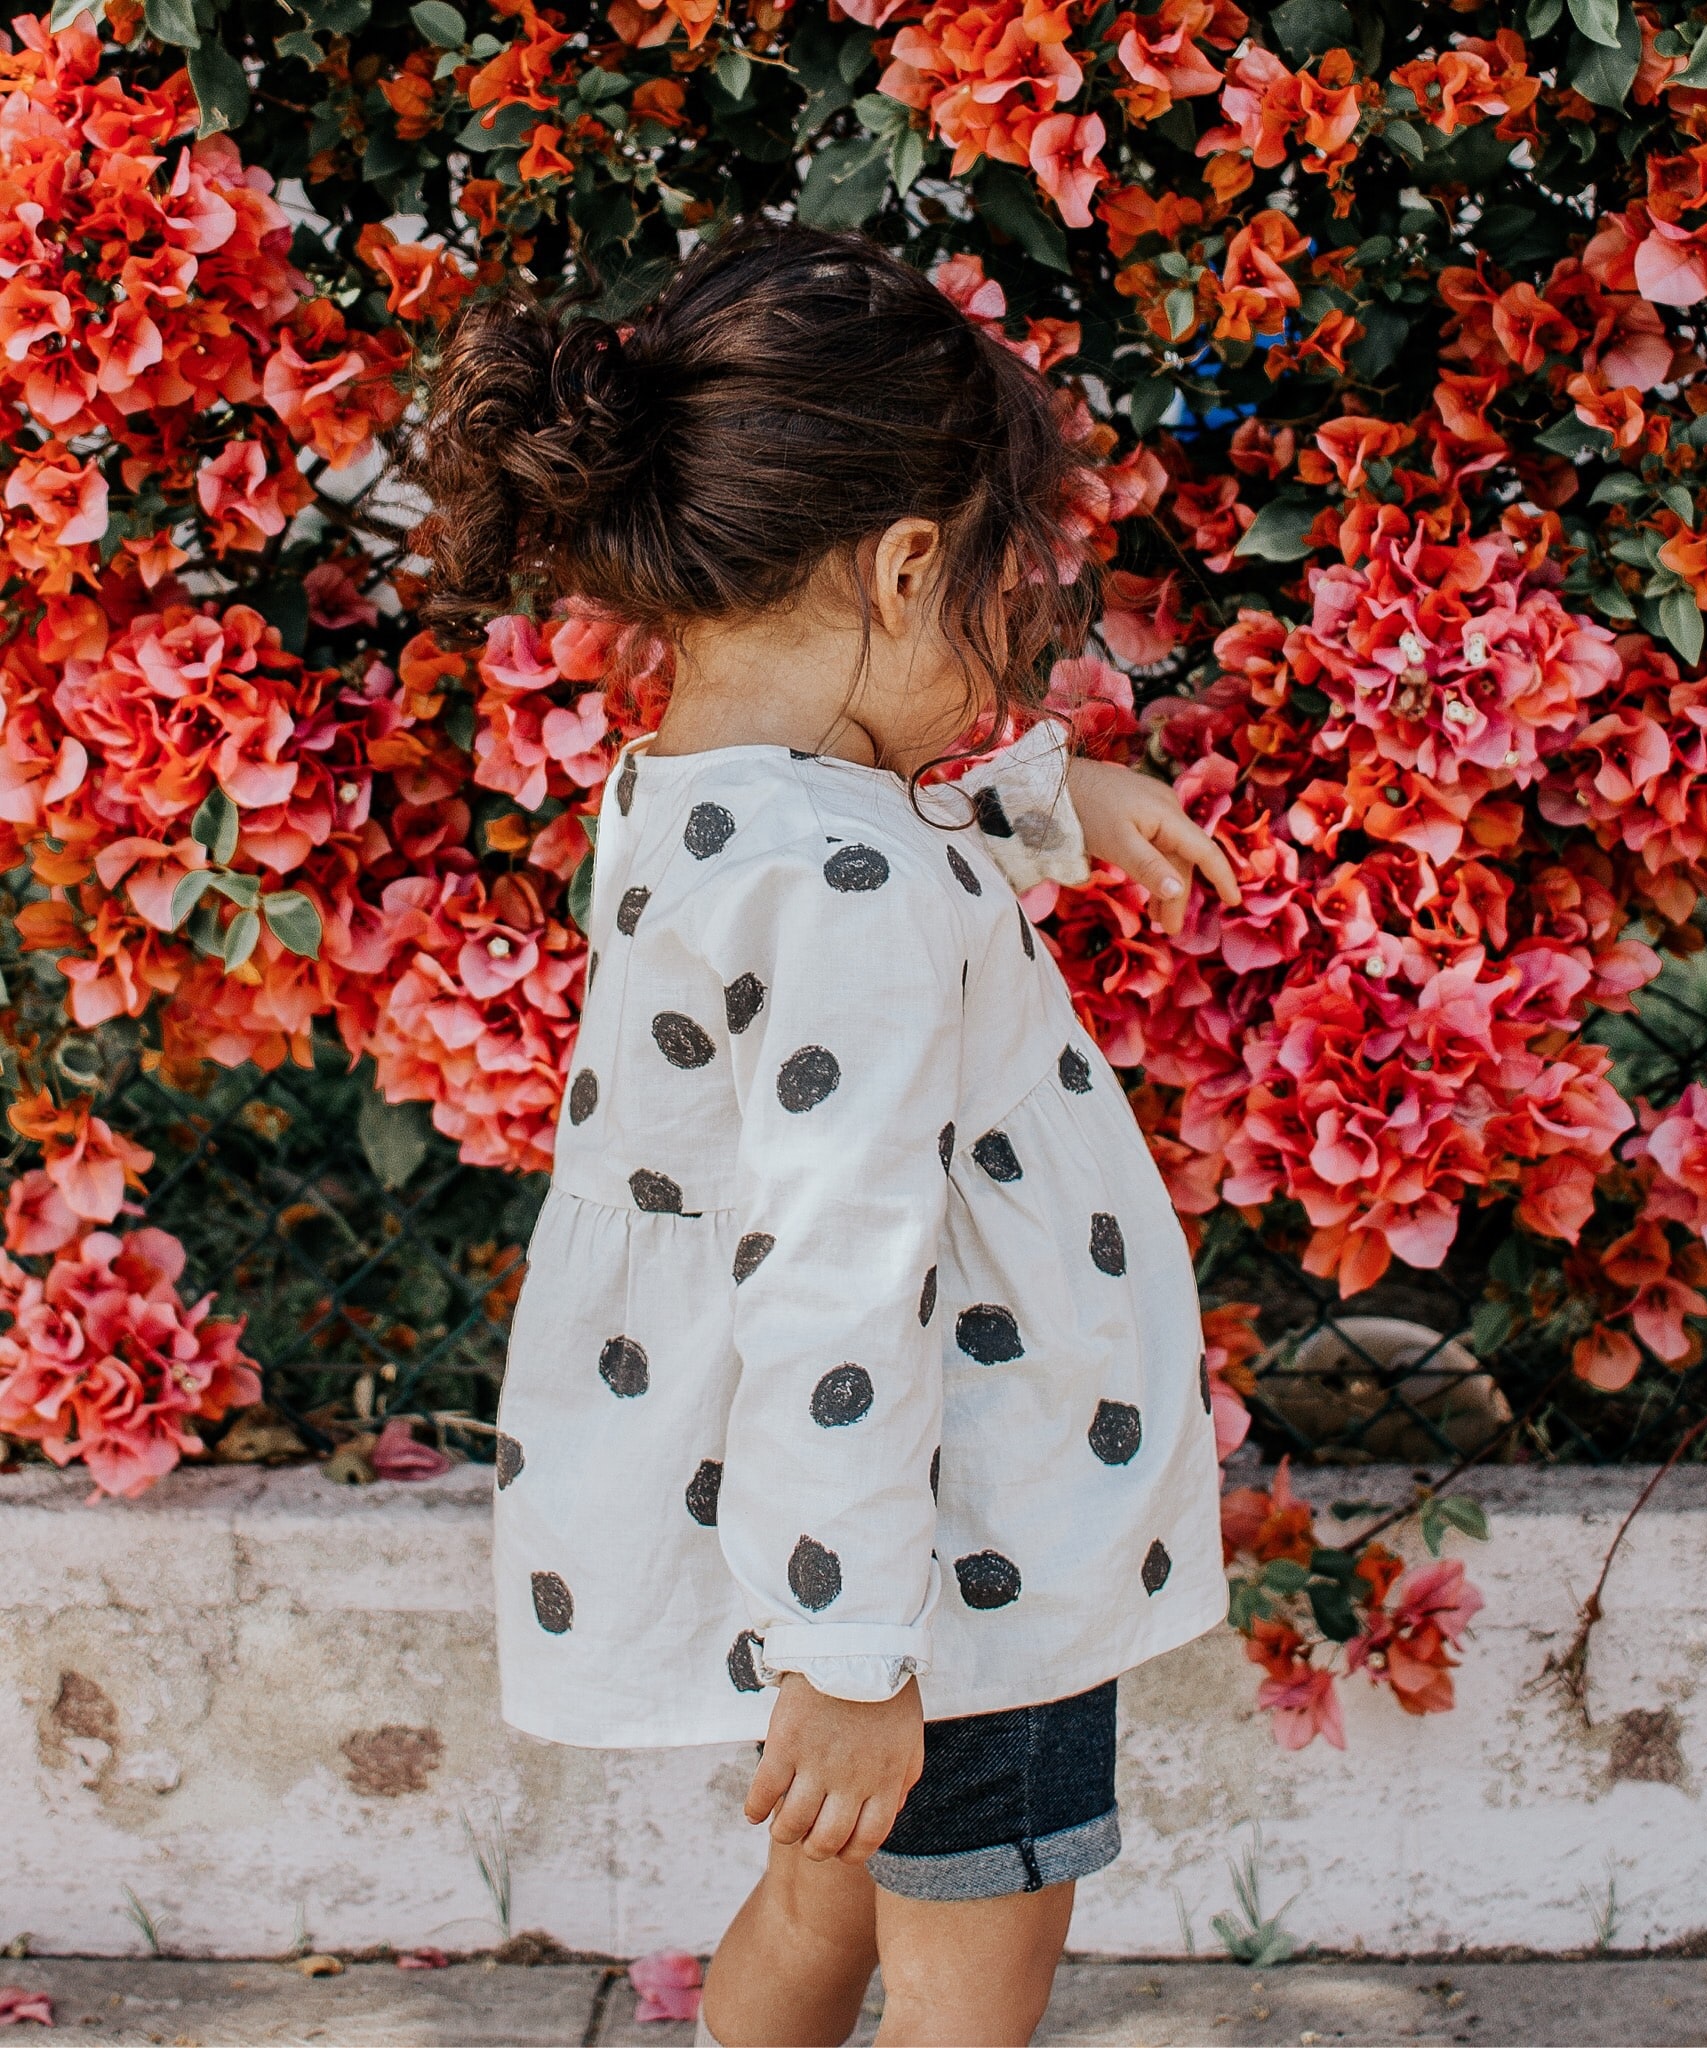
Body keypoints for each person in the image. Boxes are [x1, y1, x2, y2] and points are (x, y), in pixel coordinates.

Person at [415, 221, 1241, 2048]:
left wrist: (1049, 796)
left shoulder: (686, 796)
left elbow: (862, 850)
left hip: (855, 1563)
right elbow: (837, 1279)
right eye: (999, 596)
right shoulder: (850, 883)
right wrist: (857, 1658)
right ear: (902, 565)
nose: (1013, 653)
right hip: (954, 1547)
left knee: (815, 1893)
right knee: (965, 1984)